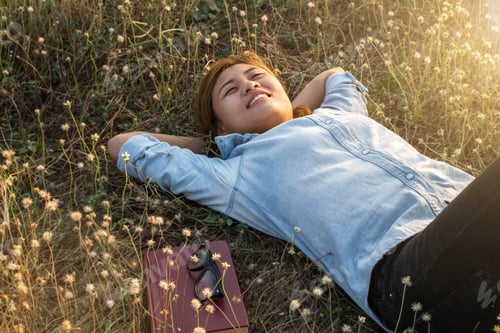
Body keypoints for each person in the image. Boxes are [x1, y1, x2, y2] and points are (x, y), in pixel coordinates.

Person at [108, 51, 500, 332]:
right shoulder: (235, 172)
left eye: (257, 76)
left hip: (470, 222)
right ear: (221, 126)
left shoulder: (340, 113)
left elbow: (335, 75)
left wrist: (291, 115)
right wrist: (214, 144)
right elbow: (125, 144)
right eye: (231, 90)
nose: (249, 85)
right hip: (408, 273)